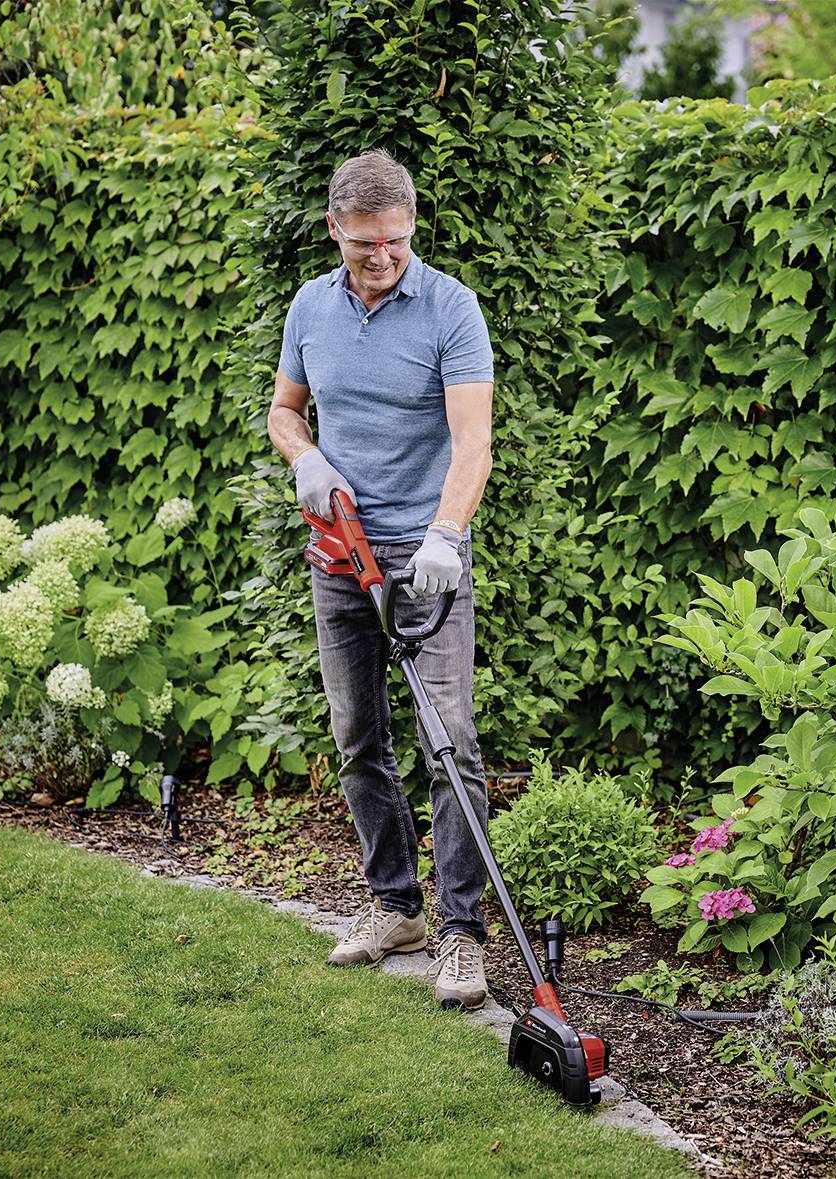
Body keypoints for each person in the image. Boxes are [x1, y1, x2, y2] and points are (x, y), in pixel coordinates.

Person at [267, 149, 496, 1010]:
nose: (383, 258)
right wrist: (307, 456)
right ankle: (395, 907)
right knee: (360, 736)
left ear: (411, 227)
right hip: (340, 554)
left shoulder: (450, 307)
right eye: (366, 245)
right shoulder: (310, 308)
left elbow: (472, 440)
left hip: (426, 560)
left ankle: (463, 936)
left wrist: (446, 533)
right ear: (335, 230)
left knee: (453, 744)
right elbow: (284, 411)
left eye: (396, 242)